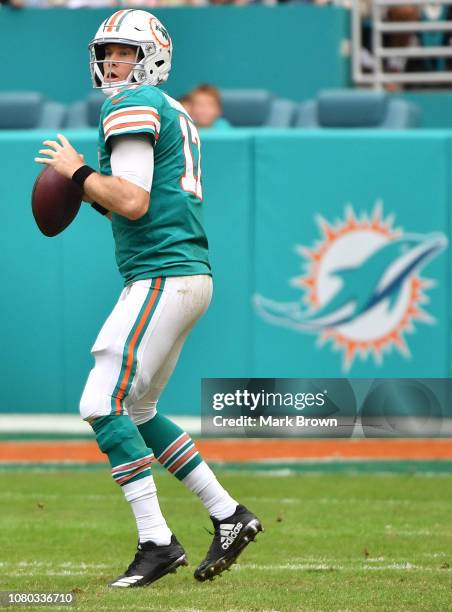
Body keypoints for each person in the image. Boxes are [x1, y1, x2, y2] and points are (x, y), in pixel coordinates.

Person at [35, 9, 262, 588]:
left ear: (151, 55)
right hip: (184, 273)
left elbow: (132, 202)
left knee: (101, 402)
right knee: (138, 410)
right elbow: (132, 198)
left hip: (162, 273)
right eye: (106, 52)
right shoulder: (172, 109)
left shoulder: (131, 105)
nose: (112, 62)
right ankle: (228, 514)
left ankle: (156, 540)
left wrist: (78, 171)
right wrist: (91, 190)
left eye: (124, 52)